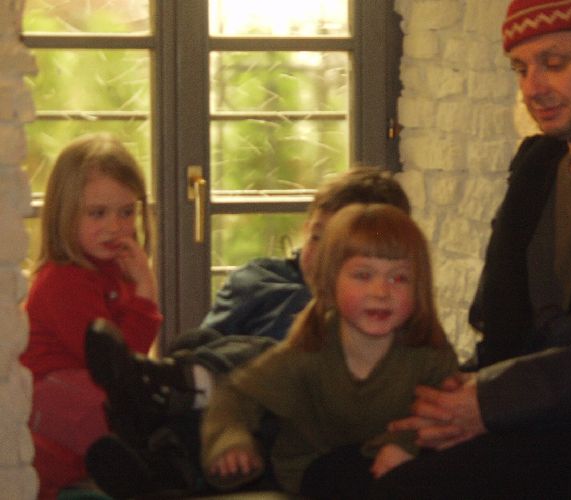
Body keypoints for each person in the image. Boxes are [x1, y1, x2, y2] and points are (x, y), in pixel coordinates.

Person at [369, 1, 571, 498]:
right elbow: (504, 328)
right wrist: (449, 408)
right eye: (521, 69)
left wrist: (494, 400)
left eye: (554, 63)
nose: (533, 88)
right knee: (341, 471)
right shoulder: (537, 172)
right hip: (542, 412)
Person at [83, 167, 413, 498]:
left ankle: (159, 421)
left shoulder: (374, 320)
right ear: (305, 227)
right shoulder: (260, 280)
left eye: (340, 249)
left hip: (286, 426)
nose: (321, 255)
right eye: (317, 237)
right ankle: (159, 454)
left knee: (269, 359)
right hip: (219, 407)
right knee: (194, 343)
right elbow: (209, 344)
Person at [201, 203, 459, 498]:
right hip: (317, 472)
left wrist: (404, 443)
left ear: (419, 287)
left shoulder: (429, 353)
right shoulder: (308, 352)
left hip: (397, 468)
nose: (381, 292)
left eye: (398, 278)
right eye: (363, 275)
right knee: (348, 472)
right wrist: (231, 441)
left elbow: (448, 415)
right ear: (330, 281)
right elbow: (236, 395)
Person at [20, 133, 161, 500]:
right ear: (65, 214)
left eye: (126, 212)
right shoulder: (64, 281)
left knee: (140, 397)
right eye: (98, 213)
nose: (115, 226)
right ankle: (136, 465)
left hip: (83, 394)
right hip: (48, 401)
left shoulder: (112, 269)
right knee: (116, 404)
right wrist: (145, 295)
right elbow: (113, 364)